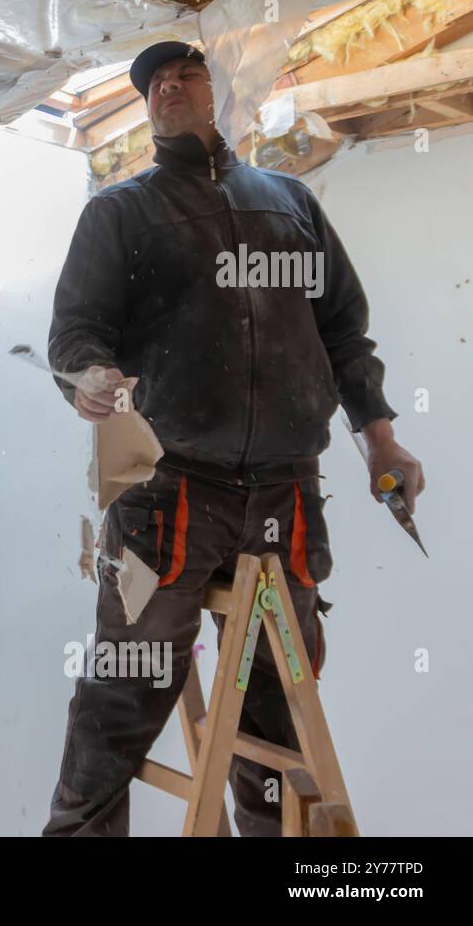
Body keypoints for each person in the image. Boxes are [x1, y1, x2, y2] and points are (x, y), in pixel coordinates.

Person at [44, 42, 424, 836]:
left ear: (223, 91)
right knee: (125, 692)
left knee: (276, 707)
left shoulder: (291, 203)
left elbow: (344, 335)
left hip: (286, 490)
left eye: (186, 73)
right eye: (153, 82)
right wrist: (86, 378)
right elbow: (75, 335)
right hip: (167, 493)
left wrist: (380, 442)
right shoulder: (120, 212)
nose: (167, 87)